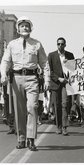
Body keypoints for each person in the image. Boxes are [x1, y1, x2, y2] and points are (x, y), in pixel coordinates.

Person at [1, 16, 50, 151]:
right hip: (16, 79)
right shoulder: (12, 44)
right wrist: (3, 74)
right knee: (20, 111)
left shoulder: (37, 44)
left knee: (32, 107)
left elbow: (44, 63)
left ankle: (31, 139)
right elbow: (5, 61)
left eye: (27, 25)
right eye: (22, 25)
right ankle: (21, 138)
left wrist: (46, 80)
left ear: (31, 28)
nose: (25, 28)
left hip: (32, 79)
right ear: (18, 28)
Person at [48, 37, 74, 136]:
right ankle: (58, 126)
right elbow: (49, 71)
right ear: (57, 44)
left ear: (65, 45)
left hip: (66, 83)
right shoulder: (51, 55)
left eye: (62, 44)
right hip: (56, 83)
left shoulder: (70, 55)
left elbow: (74, 69)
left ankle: (64, 127)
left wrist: (69, 64)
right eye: (58, 44)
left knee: (65, 104)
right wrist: (58, 78)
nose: (60, 46)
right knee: (57, 106)